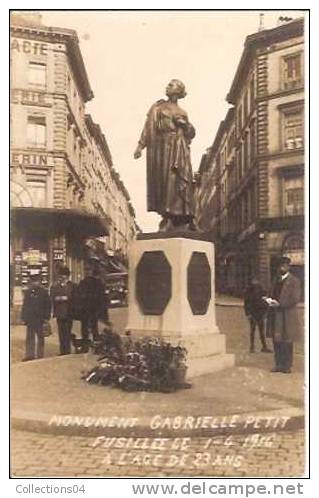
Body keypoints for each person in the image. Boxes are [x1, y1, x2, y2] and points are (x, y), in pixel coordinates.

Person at [134, 79, 196, 232]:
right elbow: (148, 128)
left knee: (179, 181)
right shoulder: (158, 107)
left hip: (179, 148)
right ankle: (167, 216)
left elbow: (191, 134)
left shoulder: (183, 112)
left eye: (171, 85)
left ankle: (184, 217)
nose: (167, 86)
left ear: (178, 90)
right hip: (162, 148)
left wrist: (185, 125)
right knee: (165, 181)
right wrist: (140, 145)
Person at [266, 256, 302, 374]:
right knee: (277, 340)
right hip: (275, 314)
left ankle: (287, 366)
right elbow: (271, 293)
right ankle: (278, 364)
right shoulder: (275, 280)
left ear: (288, 267)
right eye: (280, 266)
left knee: (287, 340)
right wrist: (268, 299)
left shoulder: (294, 281)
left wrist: (280, 304)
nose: (281, 268)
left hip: (287, 315)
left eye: (284, 266)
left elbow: (295, 298)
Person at [20, 273, 51, 361]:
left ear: (40, 282)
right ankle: (30, 355)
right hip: (30, 319)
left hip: (40, 318)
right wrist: (24, 317)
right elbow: (25, 305)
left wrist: (46, 318)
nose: (35, 283)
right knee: (30, 337)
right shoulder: (28, 292)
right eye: (33, 281)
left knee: (40, 337)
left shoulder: (44, 292)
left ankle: (40, 354)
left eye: (37, 281)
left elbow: (48, 305)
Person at [78, 266, 108, 349]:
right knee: (84, 328)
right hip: (85, 309)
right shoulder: (82, 283)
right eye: (86, 270)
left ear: (92, 271)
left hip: (94, 308)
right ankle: (85, 344)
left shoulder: (97, 282)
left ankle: (96, 344)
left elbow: (102, 296)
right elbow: (79, 296)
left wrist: (101, 308)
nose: (87, 272)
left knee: (94, 326)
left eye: (89, 270)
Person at [50, 266, 74, 355]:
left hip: (69, 313)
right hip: (59, 313)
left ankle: (67, 350)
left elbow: (74, 297)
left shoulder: (72, 285)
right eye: (60, 276)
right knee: (61, 332)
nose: (61, 278)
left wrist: (65, 298)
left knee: (67, 332)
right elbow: (52, 297)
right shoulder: (55, 286)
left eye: (63, 276)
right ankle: (62, 350)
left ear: (67, 276)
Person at [244, 277, 271, 353]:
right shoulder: (249, 290)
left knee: (260, 330)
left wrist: (265, 312)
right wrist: (248, 313)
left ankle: (262, 346)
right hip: (254, 313)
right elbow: (246, 303)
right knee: (253, 330)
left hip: (259, 313)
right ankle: (253, 347)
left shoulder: (260, 290)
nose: (255, 282)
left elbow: (265, 301)